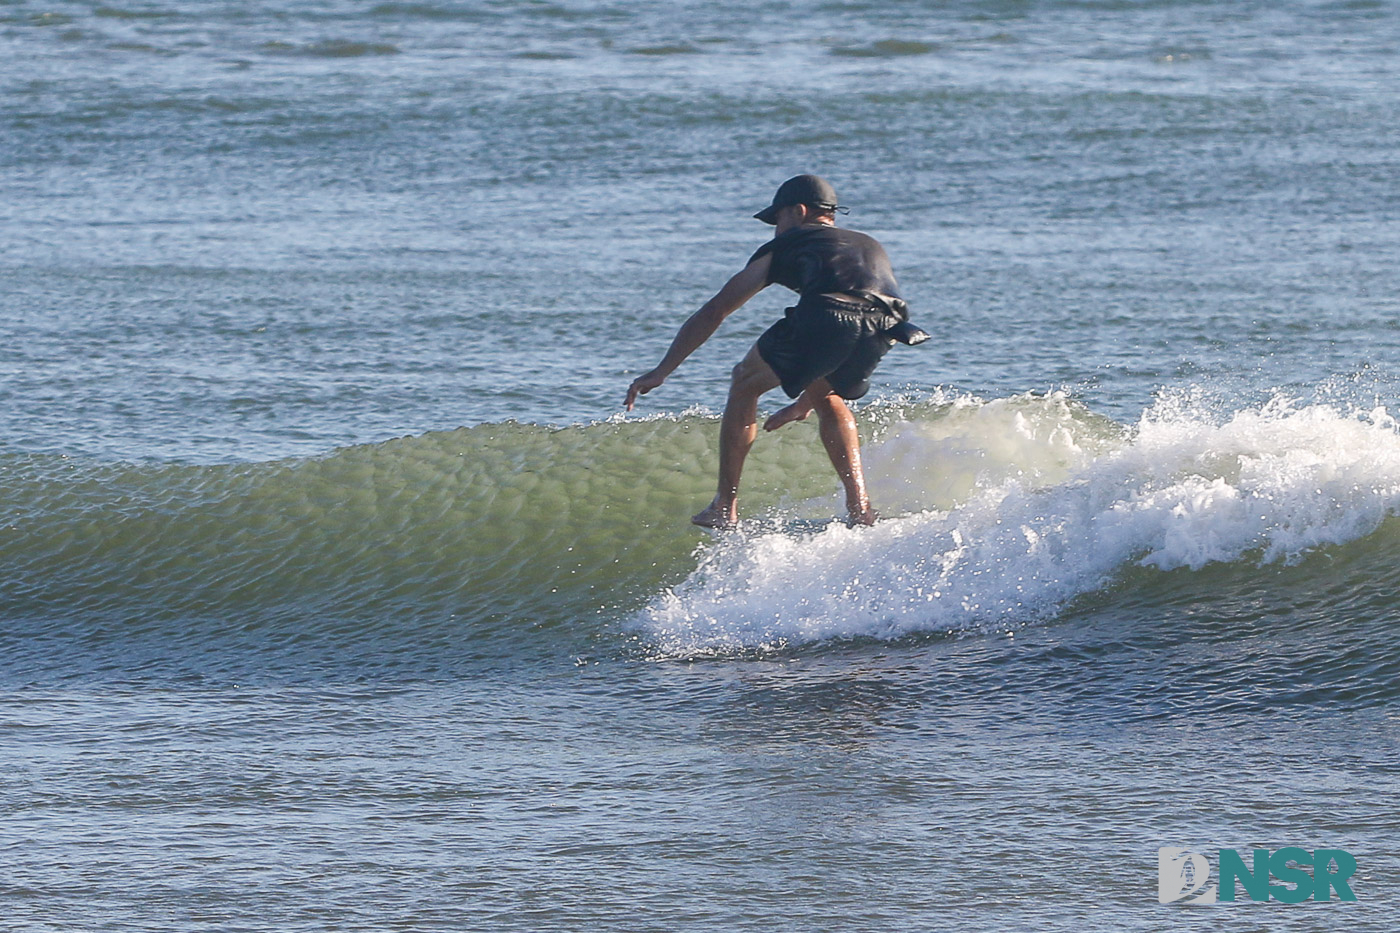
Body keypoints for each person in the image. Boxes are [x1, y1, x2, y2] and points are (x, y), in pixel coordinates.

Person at [624, 174, 912, 529]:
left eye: (777, 220)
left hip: (828, 314)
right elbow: (856, 319)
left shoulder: (790, 242)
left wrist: (662, 370)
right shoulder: (868, 244)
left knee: (744, 380)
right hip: (890, 324)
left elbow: (717, 310)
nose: (775, 229)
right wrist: (803, 401)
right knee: (829, 397)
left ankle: (723, 506)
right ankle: (860, 510)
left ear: (798, 211)